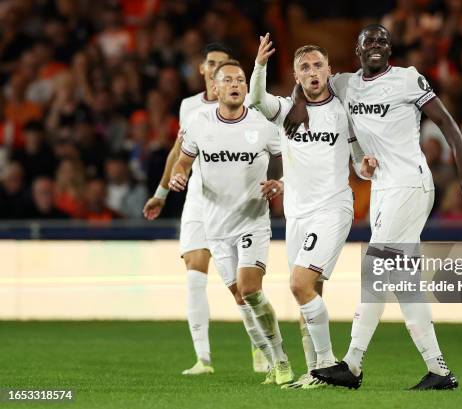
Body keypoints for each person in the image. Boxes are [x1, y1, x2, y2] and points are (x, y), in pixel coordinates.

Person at [286, 24, 462, 390]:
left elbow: (446, 122)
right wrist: (298, 102)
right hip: (382, 189)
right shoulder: (345, 84)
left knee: (375, 268)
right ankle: (439, 371)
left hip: (410, 184)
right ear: (358, 49)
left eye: (383, 41)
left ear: (390, 50)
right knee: (403, 282)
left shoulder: (409, 79)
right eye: (370, 41)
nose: (377, 45)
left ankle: (352, 364)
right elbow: (308, 78)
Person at [142, 43, 266, 375]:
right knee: (195, 273)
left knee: (241, 286)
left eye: (223, 66)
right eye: (211, 63)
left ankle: (259, 345)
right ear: (202, 69)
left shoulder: (247, 107)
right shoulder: (190, 108)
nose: (216, 70)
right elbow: (177, 152)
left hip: (235, 201)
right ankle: (203, 359)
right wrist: (162, 193)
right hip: (198, 196)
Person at [249, 34, 365, 388]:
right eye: (304, 67)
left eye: (318, 65)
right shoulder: (286, 110)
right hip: (296, 214)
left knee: (299, 284)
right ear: (296, 76)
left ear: (330, 70)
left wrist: (368, 164)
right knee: (309, 294)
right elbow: (255, 100)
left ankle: (329, 366)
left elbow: (360, 165)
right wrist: (260, 65)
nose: (312, 72)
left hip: (332, 209)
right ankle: (315, 370)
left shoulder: (344, 112)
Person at [169, 59, 294, 385]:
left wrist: (278, 182)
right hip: (216, 227)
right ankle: (270, 360)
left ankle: (281, 359)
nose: (236, 84)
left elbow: (284, 160)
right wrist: (178, 177)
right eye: (229, 80)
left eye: (240, 79)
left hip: (252, 221)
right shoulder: (199, 122)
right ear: (217, 86)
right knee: (240, 297)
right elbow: (183, 161)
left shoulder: (262, 124)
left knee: (251, 290)